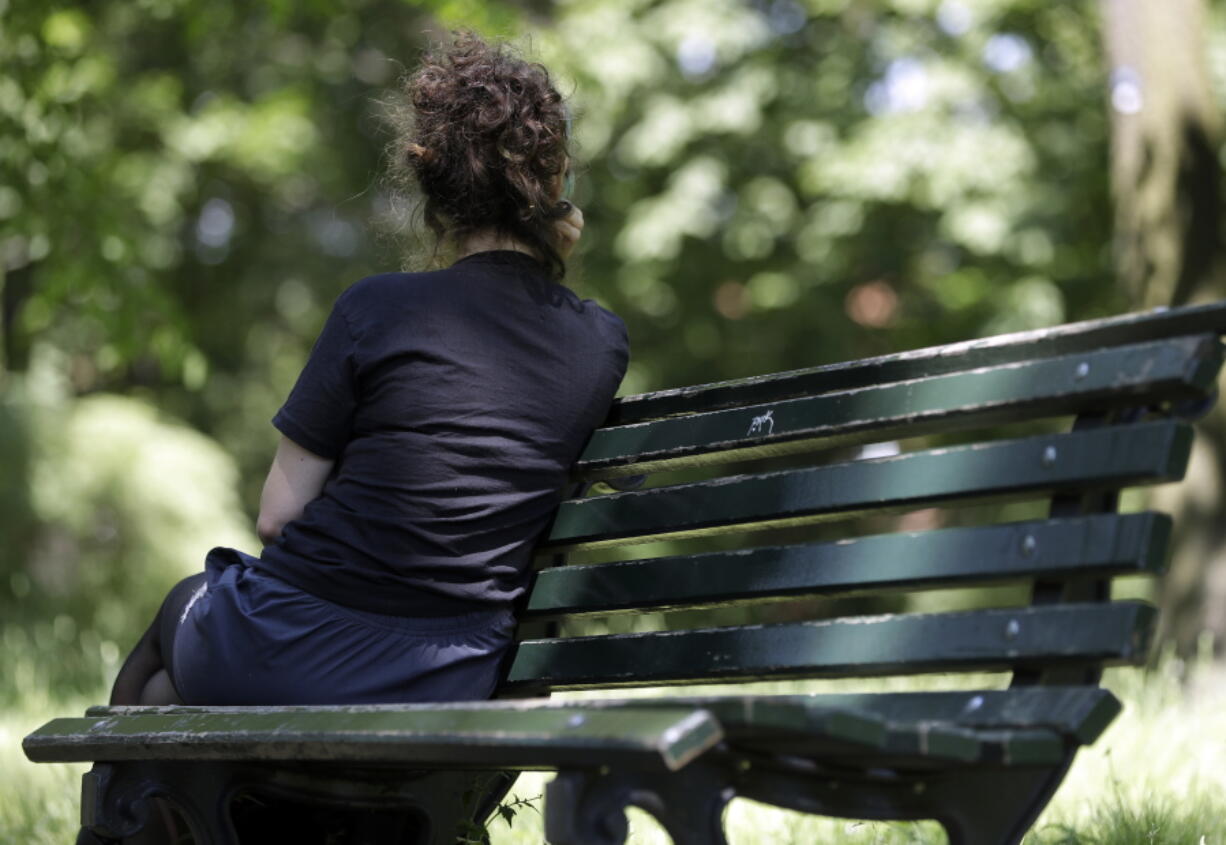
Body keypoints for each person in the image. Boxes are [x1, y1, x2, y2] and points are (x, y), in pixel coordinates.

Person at [107, 31, 628, 708]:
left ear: (433, 187)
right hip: (455, 673)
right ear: (552, 183)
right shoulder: (600, 341)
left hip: (289, 642)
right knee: (178, 683)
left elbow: (276, 517)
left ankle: (121, 814)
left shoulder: (378, 308)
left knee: (178, 620)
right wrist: (549, 250)